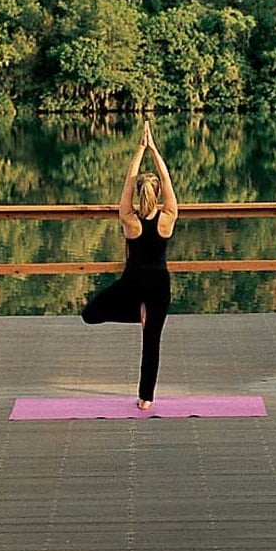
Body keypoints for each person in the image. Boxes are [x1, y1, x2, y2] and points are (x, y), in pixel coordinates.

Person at [81, 120, 178, 410]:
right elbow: (168, 178)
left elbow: (128, 180)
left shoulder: (129, 219)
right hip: (159, 284)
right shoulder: (168, 217)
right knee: (152, 342)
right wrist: (154, 149)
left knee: (90, 313)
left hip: (132, 283)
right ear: (158, 192)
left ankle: (137, 312)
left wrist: (139, 149)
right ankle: (146, 398)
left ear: (137, 193)